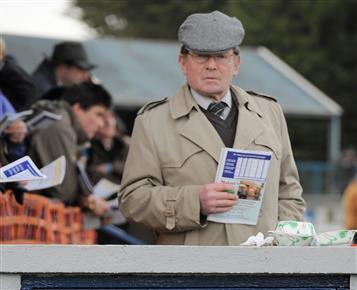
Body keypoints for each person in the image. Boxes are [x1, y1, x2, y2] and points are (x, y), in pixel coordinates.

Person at [119, 10, 305, 246]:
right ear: (183, 63)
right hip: (193, 272)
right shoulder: (152, 121)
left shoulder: (270, 112)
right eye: (201, 56)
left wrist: (281, 242)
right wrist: (194, 201)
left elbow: (289, 191)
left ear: (235, 63)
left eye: (220, 57)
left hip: (263, 267)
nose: (211, 66)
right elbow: (132, 200)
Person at [29, 81, 111, 216]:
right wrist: (85, 200)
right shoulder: (60, 127)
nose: (101, 124)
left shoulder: (64, 124)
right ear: (78, 108)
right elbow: (64, 191)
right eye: (98, 114)